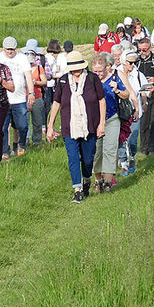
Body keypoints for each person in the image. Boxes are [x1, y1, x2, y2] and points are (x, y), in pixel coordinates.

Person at [46, 50, 105, 203]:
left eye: (78, 67)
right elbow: (56, 103)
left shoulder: (93, 79)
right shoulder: (64, 81)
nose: (76, 71)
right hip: (69, 126)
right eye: (73, 68)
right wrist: (50, 126)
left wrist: (102, 123)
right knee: (73, 158)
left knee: (87, 159)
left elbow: (101, 100)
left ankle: (86, 180)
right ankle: (77, 190)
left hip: (90, 126)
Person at [91, 52, 128, 193]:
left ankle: (107, 182)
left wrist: (117, 89)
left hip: (112, 118)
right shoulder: (89, 81)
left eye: (101, 71)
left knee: (110, 150)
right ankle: (97, 180)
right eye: (95, 71)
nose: (98, 74)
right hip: (94, 121)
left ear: (106, 68)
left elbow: (126, 95)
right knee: (96, 152)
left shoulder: (113, 78)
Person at [0, 36, 34, 158]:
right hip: (4, 99)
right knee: (3, 126)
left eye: (12, 49)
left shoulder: (22, 58)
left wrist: (31, 93)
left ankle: (21, 144)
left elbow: (28, 76)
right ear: (3, 48)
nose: (10, 52)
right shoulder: (0, 57)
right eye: (8, 49)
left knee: (22, 125)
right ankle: (5, 150)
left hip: (19, 99)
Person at [117, 49, 145, 176]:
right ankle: (124, 164)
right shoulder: (115, 73)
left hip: (134, 110)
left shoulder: (138, 74)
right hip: (120, 111)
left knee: (133, 138)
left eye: (135, 62)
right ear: (124, 61)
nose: (133, 65)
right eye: (130, 63)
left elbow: (143, 90)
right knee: (121, 139)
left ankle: (132, 157)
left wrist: (141, 106)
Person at [24, 41, 48, 146]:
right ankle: (25, 141)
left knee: (37, 121)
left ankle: (37, 141)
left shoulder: (39, 68)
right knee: (25, 121)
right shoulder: (22, 68)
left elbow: (44, 81)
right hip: (24, 97)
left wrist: (36, 82)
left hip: (37, 97)